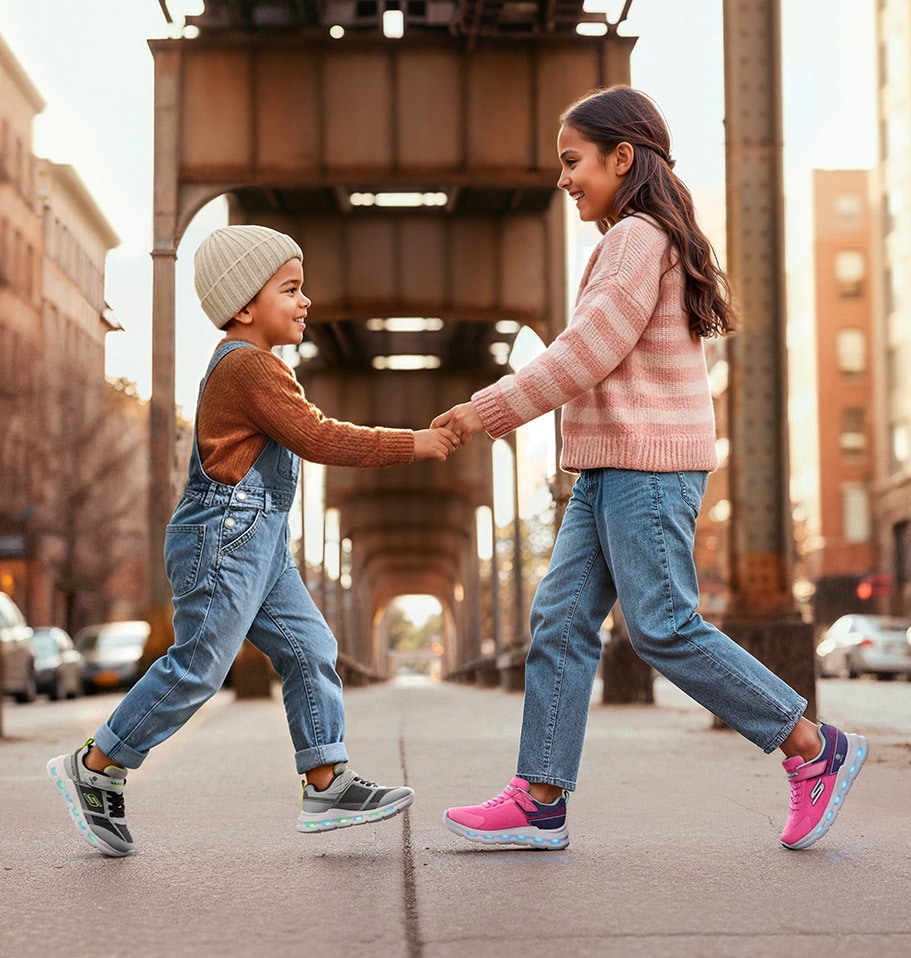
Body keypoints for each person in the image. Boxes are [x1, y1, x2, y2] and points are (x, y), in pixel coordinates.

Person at [432, 86, 867, 852]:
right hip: (608, 469)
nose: (563, 179)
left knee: (662, 626)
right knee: (560, 622)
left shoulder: (635, 237)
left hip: (646, 470)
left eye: (573, 162)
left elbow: (586, 351)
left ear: (621, 157)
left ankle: (810, 748)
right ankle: (538, 798)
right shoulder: (637, 239)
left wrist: (485, 410)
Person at [47, 224, 461, 857]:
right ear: (245, 304)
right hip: (223, 538)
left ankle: (325, 782)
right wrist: (415, 442)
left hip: (256, 540)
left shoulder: (255, 367)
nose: (306, 302)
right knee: (198, 666)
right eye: (290, 289)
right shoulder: (247, 366)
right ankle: (97, 763)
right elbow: (318, 438)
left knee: (310, 646)